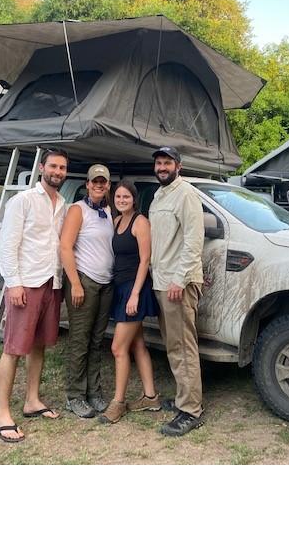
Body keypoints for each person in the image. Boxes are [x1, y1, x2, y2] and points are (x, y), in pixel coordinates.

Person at [0, 148, 69, 443]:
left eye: (63, 168)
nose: (58, 172)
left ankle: (32, 400)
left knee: (40, 345)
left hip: (52, 282)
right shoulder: (22, 201)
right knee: (14, 347)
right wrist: (13, 283)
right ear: (42, 168)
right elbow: (8, 244)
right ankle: (2, 412)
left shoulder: (63, 204)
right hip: (26, 284)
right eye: (53, 166)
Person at [149, 146, 205, 437]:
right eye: (159, 163)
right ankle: (185, 399)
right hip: (161, 282)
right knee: (173, 346)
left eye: (167, 162)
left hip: (177, 285)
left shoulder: (186, 194)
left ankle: (191, 411)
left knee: (183, 347)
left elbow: (194, 241)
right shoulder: (160, 196)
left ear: (178, 166)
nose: (162, 167)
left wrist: (179, 280)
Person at [98, 180, 161, 424]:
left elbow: (145, 260)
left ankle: (118, 403)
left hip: (134, 290)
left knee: (117, 348)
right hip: (120, 287)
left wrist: (135, 294)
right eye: (118, 197)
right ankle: (150, 396)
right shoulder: (116, 221)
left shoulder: (140, 222)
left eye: (126, 197)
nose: (122, 200)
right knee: (137, 345)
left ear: (134, 199)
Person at [60, 163, 115, 418]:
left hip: (105, 283)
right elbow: (65, 247)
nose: (98, 185)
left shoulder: (108, 210)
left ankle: (94, 391)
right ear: (87, 183)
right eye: (95, 181)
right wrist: (76, 283)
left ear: (108, 185)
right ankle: (74, 395)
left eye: (103, 182)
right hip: (84, 281)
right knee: (79, 340)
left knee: (96, 341)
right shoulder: (77, 210)